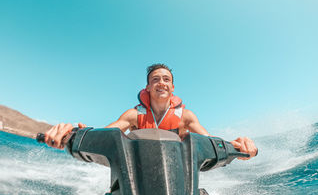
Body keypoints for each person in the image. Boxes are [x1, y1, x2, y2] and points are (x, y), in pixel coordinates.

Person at [45, 63, 258, 159]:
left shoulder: (186, 117)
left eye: (167, 79)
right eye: (155, 79)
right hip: (134, 180)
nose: (161, 83)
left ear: (172, 88)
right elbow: (106, 134)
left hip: (177, 181)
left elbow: (209, 141)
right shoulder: (133, 115)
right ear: (147, 88)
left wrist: (238, 150)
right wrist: (75, 135)